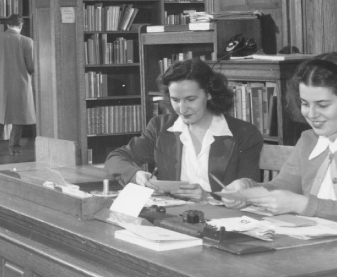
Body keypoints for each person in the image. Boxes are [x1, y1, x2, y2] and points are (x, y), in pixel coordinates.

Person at [223, 52, 337, 218]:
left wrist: (301, 204)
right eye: (305, 103)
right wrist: (248, 190)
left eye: (322, 105)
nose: (311, 114)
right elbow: (285, 185)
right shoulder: (308, 139)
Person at [106, 58, 263, 201]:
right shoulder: (160, 127)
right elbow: (116, 158)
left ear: (209, 94)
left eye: (190, 99)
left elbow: (246, 194)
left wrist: (207, 197)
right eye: (175, 100)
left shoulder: (244, 134)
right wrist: (136, 174)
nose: (182, 109)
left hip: (225, 219)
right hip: (174, 216)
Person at [0, 14, 35, 155]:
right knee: (19, 116)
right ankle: (14, 148)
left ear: (7, 25)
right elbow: (31, 66)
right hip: (21, 84)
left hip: (2, 82)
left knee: (0, 114)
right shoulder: (27, 41)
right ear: (21, 26)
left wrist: (2, 64)